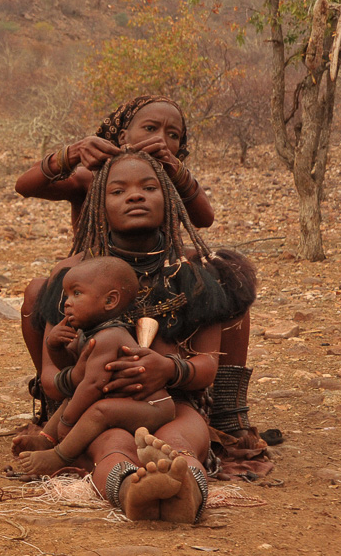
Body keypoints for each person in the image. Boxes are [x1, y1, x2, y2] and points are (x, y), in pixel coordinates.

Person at [14, 96, 263, 462]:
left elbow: (204, 220)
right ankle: (60, 407)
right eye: (151, 128)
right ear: (121, 132)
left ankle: (227, 410)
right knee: (45, 289)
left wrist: (174, 172)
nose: (162, 138)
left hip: (157, 263)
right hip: (96, 271)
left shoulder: (168, 174)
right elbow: (25, 185)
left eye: (173, 134)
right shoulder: (92, 172)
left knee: (221, 286)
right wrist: (71, 154)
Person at [29, 149, 255, 522]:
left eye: (148, 187)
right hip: (94, 411)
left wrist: (167, 369)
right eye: (118, 191)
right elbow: (50, 378)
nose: (135, 195)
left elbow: (206, 366)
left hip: (173, 401)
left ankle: (188, 494)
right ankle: (132, 492)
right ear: (97, 206)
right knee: (113, 447)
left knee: (180, 443)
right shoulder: (74, 280)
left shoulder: (194, 277)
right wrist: (83, 374)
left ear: (168, 200)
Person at [12, 255, 173, 477]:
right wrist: (54, 347)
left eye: (76, 294)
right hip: (126, 400)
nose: (67, 302)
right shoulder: (89, 332)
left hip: (153, 407)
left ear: (109, 301)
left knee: (99, 410)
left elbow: (92, 385)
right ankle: (45, 441)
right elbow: (71, 368)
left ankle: (60, 456)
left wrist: (67, 422)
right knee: (74, 398)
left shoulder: (109, 336)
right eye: (67, 295)